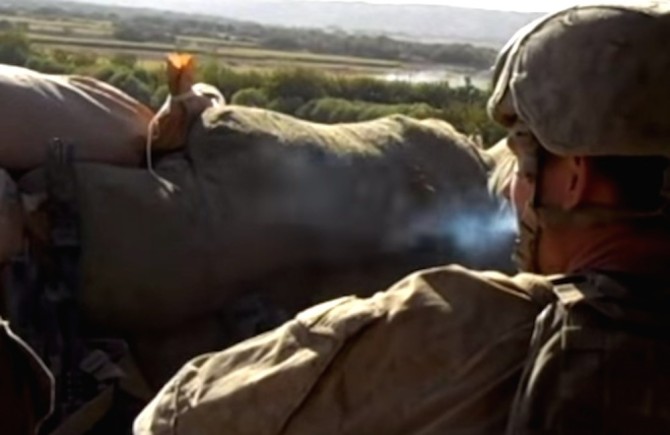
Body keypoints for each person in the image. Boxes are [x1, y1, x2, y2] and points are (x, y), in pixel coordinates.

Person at [133, 2, 670, 434]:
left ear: (576, 179)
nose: (511, 188)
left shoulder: (457, 328)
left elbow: (175, 418)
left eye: (523, 160)